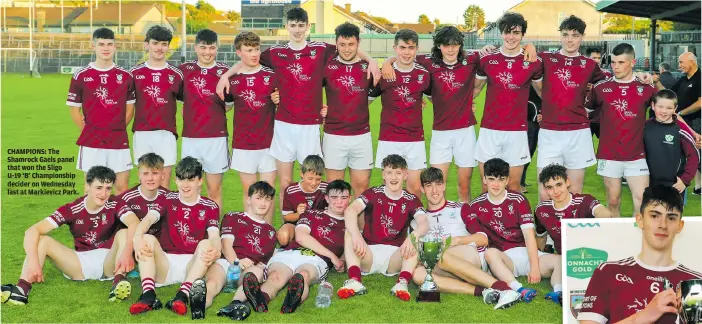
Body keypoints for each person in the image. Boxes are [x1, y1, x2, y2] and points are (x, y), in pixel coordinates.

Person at [216, 7, 380, 211]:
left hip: (310, 127)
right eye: (293, 25)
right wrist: (225, 76)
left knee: (314, 183)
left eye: (301, 25)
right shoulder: (275, 53)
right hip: (284, 126)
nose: (297, 30)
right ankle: (288, 229)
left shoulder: (320, 50)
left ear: (307, 27)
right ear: (287, 26)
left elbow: (347, 47)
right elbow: (246, 60)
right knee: (285, 183)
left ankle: (316, 224)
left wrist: (372, 60)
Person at [1, 166, 141, 305]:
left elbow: (134, 222)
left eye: (108, 188)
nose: (104, 193)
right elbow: (32, 230)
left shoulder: (115, 203)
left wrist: (127, 252)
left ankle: (118, 282)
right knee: (43, 241)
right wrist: (33, 263)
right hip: (80, 264)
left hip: (110, 261)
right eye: (99, 187)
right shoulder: (73, 209)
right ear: (87, 186)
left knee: (125, 232)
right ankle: (22, 289)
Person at [381, 26, 480, 203]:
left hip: (465, 132)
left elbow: (498, 53)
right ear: (439, 46)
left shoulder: (471, 59)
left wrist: (529, 47)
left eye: (455, 45)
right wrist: (387, 63)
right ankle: (435, 224)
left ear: (460, 45)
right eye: (446, 45)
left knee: (464, 186)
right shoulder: (427, 62)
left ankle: (464, 222)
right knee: (434, 185)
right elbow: (403, 56)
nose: (451, 49)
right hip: (440, 133)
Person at [577, 185, 702, 324]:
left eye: (671, 218)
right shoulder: (608, 272)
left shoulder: (695, 283)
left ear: (680, 225)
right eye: (655, 216)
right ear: (640, 220)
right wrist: (644, 316)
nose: (663, 225)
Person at [411, 167, 523, 310]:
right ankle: (484, 291)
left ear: (444, 185)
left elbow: (483, 239)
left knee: (442, 256)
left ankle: (503, 288)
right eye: (429, 185)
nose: (434, 190)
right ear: (422, 188)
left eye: (438, 184)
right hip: (444, 266)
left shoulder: (460, 208)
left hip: (470, 255)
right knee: (419, 275)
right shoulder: (419, 220)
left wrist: (455, 241)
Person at [239, 180, 350, 316]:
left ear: (350, 199)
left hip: (317, 260)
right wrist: (333, 256)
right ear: (326, 198)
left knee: (303, 276)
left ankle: (290, 303)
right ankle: (260, 301)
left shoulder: (350, 224)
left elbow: (350, 250)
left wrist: (342, 261)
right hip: (291, 252)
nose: (339, 202)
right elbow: (301, 237)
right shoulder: (312, 214)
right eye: (334, 197)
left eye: (344, 198)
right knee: (275, 277)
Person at [129, 157, 222, 317]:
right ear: (175, 180)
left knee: (207, 244)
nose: (185, 185)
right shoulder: (166, 198)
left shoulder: (210, 206)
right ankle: (149, 295)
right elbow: (149, 219)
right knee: (147, 238)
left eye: (191, 180)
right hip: (165, 264)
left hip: (192, 265)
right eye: (181, 179)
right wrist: (137, 238)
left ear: (200, 181)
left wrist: (217, 250)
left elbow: (214, 236)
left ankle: (182, 296)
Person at [533, 16, 609, 201]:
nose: (569, 40)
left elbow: (612, 84)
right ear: (560, 36)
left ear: (582, 37)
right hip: (550, 132)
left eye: (574, 35)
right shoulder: (546, 58)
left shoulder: (590, 65)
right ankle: (544, 230)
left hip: (578, 132)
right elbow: (521, 60)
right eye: (565, 35)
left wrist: (642, 77)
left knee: (575, 191)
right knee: (545, 191)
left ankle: (569, 230)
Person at [469, 158, 563, 306]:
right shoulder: (475, 205)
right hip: (504, 260)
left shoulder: (518, 200)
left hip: (527, 253)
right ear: (484, 179)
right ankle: (519, 289)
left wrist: (535, 268)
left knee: (560, 260)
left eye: (501, 179)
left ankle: (558, 292)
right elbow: (478, 239)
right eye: (491, 179)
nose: (496, 184)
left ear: (507, 181)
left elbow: (529, 236)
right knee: (490, 253)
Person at [337, 154, 429, 301]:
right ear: (383, 175)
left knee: (417, 238)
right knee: (349, 232)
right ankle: (354, 280)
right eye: (389, 172)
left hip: (395, 257)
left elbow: (424, 222)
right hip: (368, 254)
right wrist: (356, 234)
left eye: (398, 173)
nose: (394, 177)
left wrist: (413, 236)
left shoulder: (411, 199)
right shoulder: (373, 193)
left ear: (405, 175)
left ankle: (402, 283)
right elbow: (350, 210)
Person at [473, 12, 544, 192]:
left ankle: (513, 221)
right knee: (486, 185)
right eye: (507, 32)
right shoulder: (487, 59)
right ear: (501, 33)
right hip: (490, 129)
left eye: (516, 33)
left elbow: (543, 92)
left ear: (522, 35)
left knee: (513, 185)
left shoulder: (533, 61)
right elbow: (474, 90)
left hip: (517, 131)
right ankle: (486, 220)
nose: (511, 37)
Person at [586, 43, 656, 217]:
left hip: (636, 155)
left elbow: (667, 108)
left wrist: (655, 79)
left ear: (632, 62)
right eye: (613, 62)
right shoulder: (601, 88)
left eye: (621, 62)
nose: (616, 67)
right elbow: (582, 113)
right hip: (609, 155)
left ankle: (637, 242)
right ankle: (615, 242)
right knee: (613, 201)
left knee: (641, 201)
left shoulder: (646, 88)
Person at [66, 28, 135, 195]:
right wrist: (91, 132)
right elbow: (75, 111)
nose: (106, 48)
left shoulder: (125, 76)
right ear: (93, 46)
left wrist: (114, 129)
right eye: (101, 44)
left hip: (118, 140)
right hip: (91, 142)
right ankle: (91, 221)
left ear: (115, 47)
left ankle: (118, 222)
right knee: (92, 187)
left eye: (110, 44)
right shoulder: (80, 76)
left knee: (121, 188)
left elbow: (129, 111)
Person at [225, 31, 280, 224]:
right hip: (243, 144)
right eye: (249, 50)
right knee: (250, 192)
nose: (255, 54)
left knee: (268, 191)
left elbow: (284, 105)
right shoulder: (232, 80)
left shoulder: (271, 76)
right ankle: (250, 233)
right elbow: (225, 108)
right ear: (239, 53)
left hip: (269, 144)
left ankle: (268, 234)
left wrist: (278, 101)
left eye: (257, 49)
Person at [368, 29, 431, 198]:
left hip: (414, 139)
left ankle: (414, 224)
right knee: (390, 189)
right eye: (402, 47)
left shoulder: (423, 74)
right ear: (395, 47)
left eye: (411, 48)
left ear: (417, 49)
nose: (406, 52)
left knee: (415, 189)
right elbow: (364, 102)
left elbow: (437, 100)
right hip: (389, 137)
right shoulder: (383, 74)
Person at [204, 181, 277, 321]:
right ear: (249, 200)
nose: (263, 203)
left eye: (267, 199)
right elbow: (226, 245)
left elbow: (264, 262)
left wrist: (258, 267)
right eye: (259, 198)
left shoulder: (271, 232)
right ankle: (201, 305)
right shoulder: (233, 217)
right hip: (228, 263)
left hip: (247, 272)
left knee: (256, 272)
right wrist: (237, 262)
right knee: (213, 282)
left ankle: (235, 304)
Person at [320, 23, 374, 202]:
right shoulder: (327, 65)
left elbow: (389, 90)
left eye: (351, 44)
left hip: (361, 136)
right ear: (336, 43)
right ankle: (339, 230)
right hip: (334, 136)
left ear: (358, 43)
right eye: (342, 44)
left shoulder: (369, 67)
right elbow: (307, 91)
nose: (346, 49)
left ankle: (358, 230)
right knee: (335, 191)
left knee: (362, 188)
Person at [179, 29, 231, 211]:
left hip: (216, 139)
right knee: (189, 189)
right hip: (191, 139)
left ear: (217, 48)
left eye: (211, 48)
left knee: (213, 190)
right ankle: (192, 229)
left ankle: (213, 231)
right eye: (203, 47)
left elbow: (230, 104)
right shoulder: (184, 71)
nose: (207, 52)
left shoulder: (225, 72)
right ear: (195, 48)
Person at [130, 26, 183, 188]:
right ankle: (145, 214)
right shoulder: (134, 73)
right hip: (142, 132)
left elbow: (187, 104)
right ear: (147, 45)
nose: (160, 48)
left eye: (164, 44)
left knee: (164, 180)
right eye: (155, 43)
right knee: (146, 180)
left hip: (166, 134)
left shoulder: (176, 74)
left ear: (168, 47)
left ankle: (162, 214)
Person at [534, 164, 612, 254]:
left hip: (590, 256)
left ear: (567, 182)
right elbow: (541, 238)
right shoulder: (541, 210)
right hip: (562, 258)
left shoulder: (584, 201)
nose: (556, 191)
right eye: (549, 187)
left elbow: (605, 214)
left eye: (559, 184)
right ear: (545, 189)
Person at [654, 52, 701, 195]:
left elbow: (700, 103)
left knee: (694, 153)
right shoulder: (683, 79)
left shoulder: (699, 78)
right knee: (689, 155)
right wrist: (656, 82)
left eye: (681, 62)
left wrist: (680, 113)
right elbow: (667, 94)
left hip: (695, 122)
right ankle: (698, 187)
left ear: (692, 62)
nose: (679, 65)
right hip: (684, 122)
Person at [644, 90, 700, 195]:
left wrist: (684, 180)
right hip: (648, 182)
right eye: (660, 106)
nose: (664, 111)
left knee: (672, 211)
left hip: (674, 184)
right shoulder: (645, 126)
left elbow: (694, 156)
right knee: (651, 211)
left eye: (669, 108)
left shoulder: (680, 130)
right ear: (653, 105)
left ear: (675, 109)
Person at [278, 155, 328, 247]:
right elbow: (286, 217)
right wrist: (298, 214)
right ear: (302, 174)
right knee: (283, 236)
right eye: (310, 178)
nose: (314, 183)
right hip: (297, 226)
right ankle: (287, 251)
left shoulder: (326, 188)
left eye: (318, 179)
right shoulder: (291, 190)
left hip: (319, 226)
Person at [585, 47, 612, 139]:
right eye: (594, 58)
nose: (597, 61)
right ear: (587, 58)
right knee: (583, 150)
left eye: (599, 58)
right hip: (585, 118)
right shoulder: (580, 74)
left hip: (602, 118)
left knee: (608, 147)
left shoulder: (607, 74)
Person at [521, 86, 542, 193]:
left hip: (535, 120)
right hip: (528, 121)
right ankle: (519, 182)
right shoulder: (531, 81)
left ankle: (521, 180)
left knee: (530, 151)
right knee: (526, 151)